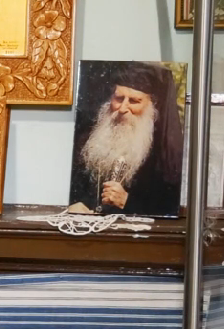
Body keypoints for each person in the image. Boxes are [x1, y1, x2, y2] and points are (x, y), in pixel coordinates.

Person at [68, 62, 184, 217]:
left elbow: (168, 208)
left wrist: (127, 202)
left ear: (153, 106)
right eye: (119, 98)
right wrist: (75, 204)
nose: (122, 108)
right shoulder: (88, 141)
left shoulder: (164, 155)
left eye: (134, 101)